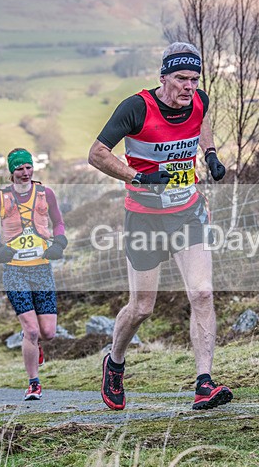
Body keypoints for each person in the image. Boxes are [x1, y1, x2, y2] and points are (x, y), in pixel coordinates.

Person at [88, 41, 231, 411]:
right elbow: (97, 153)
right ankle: (115, 362)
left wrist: (211, 154)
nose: (189, 86)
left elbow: (202, 120)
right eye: (181, 78)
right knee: (143, 306)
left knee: (201, 293)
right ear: (163, 77)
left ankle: (204, 383)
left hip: (188, 211)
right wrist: (137, 177)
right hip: (144, 218)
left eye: (194, 79)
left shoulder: (198, 99)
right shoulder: (137, 107)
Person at [0, 148, 67, 401]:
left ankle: (34, 343)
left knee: (47, 332)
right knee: (31, 330)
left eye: (28, 167)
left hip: (42, 269)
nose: (25, 172)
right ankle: (33, 383)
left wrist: (59, 243)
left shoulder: (45, 193)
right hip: (15, 272)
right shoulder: (0, 199)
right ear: (11, 172)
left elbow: (59, 222)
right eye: (20, 168)